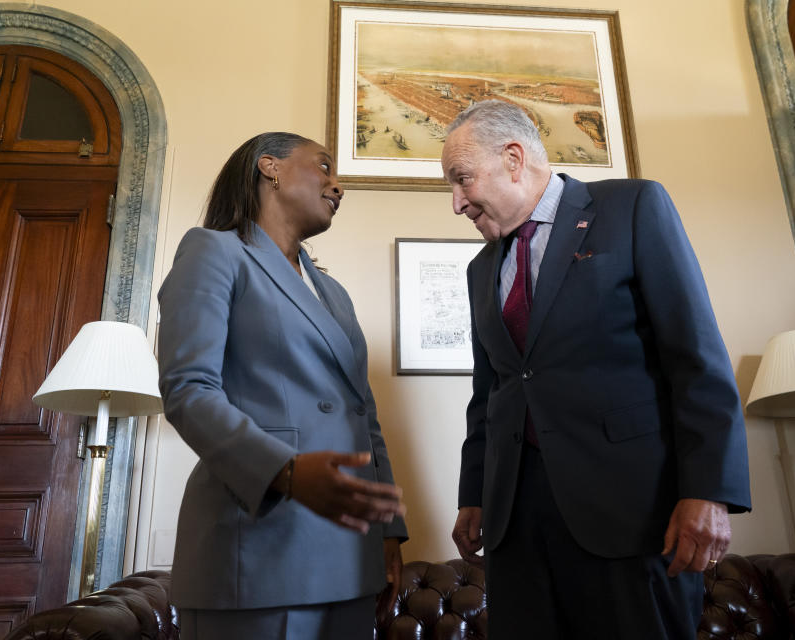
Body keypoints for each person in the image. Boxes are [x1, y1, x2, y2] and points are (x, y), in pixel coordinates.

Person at [441, 100, 751, 639]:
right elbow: (489, 392)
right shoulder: (480, 268)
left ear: (514, 158)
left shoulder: (632, 207)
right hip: (517, 526)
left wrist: (709, 489)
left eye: (462, 180)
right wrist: (472, 495)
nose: (456, 203)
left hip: (629, 515)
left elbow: (695, 357)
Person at [157, 132, 407, 639]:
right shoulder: (213, 251)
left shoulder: (332, 292)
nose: (338, 186)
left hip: (351, 553)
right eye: (324, 167)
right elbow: (188, 389)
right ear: (269, 167)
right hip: (258, 545)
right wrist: (285, 472)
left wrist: (388, 536)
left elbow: (363, 412)